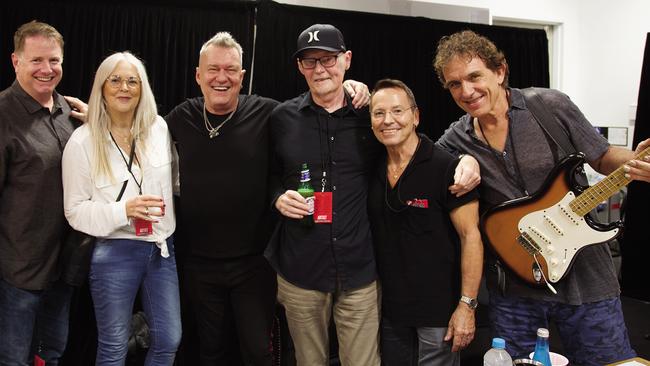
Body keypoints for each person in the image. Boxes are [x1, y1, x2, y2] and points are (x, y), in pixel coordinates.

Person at [434, 30, 650, 365]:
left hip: (586, 279)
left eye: (475, 76)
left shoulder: (549, 106)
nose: (467, 91)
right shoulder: (456, 138)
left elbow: (603, 155)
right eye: (454, 84)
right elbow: (423, 162)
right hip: (516, 287)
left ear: (500, 71)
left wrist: (635, 161)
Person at [164, 31, 370, 365]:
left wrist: (354, 88)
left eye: (231, 69)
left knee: (259, 351)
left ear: (242, 76)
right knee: (209, 349)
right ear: (198, 75)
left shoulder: (270, 114)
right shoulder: (179, 118)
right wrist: (99, 118)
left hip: (254, 263)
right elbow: (137, 131)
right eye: (213, 69)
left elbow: (293, 148)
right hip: (196, 261)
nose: (221, 77)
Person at [265, 23, 383, 366]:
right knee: (308, 361)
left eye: (328, 59)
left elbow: (412, 150)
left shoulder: (372, 115)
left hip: (359, 269)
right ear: (300, 67)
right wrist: (277, 197)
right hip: (301, 269)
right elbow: (269, 175)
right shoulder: (281, 117)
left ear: (346, 60)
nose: (320, 69)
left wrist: (464, 160)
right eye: (309, 61)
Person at [62, 51, 181, 365]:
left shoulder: (158, 129)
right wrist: (123, 210)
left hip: (161, 250)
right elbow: (74, 211)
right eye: (115, 80)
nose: (124, 88)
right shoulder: (83, 142)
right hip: (115, 250)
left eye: (132, 81)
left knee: (169, 340)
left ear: (142, 88)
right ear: (102, 86)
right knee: (114, 346)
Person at [367, 79, 483, 365]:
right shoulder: (372, 167)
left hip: (439, 316)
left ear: (415, 116)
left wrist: (467, 306)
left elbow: (471, 237)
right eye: (378, 113)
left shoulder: (447, 168)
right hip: (391, 313)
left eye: (397, 111)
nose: (388, 120)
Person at [0, 20, 78, 366]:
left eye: (55, 60)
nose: (47, 70)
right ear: (16, 61)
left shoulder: (69, 111)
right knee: (14, 359)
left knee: (52, 355)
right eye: (36, 60)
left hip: (63, 268)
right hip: (18, 273)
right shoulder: (3, 115)